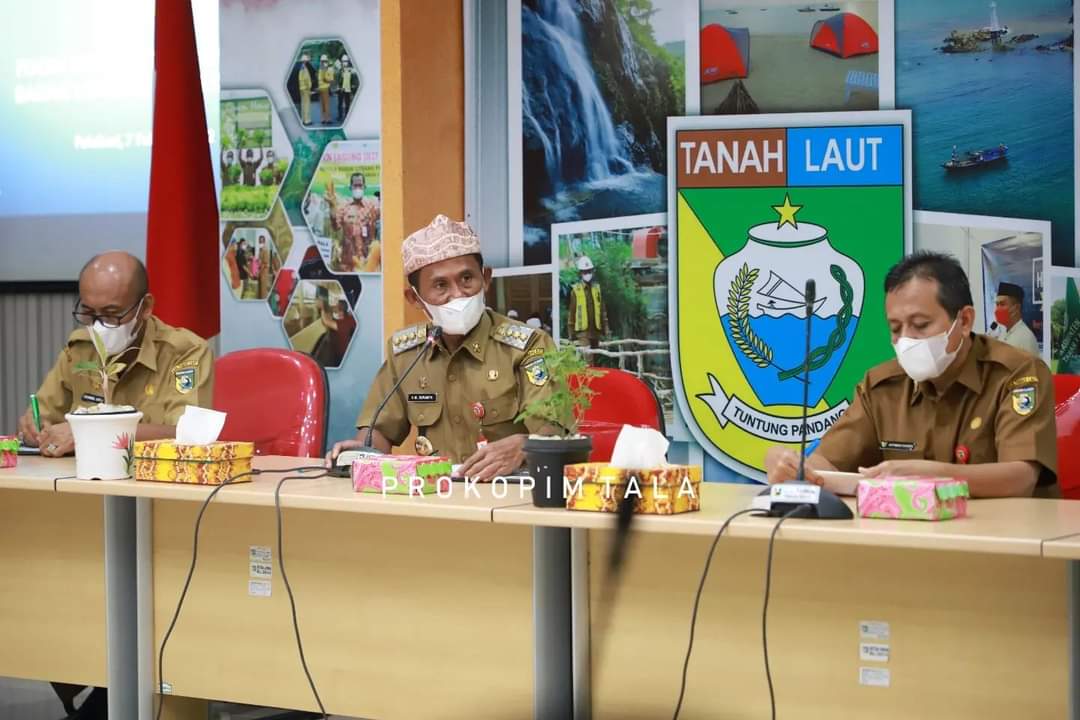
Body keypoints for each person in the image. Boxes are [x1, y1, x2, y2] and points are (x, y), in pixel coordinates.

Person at [14, 251, 213, 719]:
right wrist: (35, 425)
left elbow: (189, 432)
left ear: (145, 307)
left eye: (112, 314)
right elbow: (43, 411)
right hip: (86, 518)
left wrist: (87, 429)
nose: (99, 324)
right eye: (88, 311)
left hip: (161, 522)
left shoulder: (185, 351)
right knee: (43, 586)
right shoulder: (80, 349)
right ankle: (90, 688)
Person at [764, 251, 1057, 498]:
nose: (906, 339)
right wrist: (795, 468)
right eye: (895, 328)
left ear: (964, 320)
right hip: (905, 546)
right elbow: (828, 463)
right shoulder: (880, 385)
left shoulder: (1016, 373)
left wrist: (933, 476)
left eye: (920, 324)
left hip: (1001, 545)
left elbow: (1022, 476)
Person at [327, 214, 559, 481]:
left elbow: (554, 432)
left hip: (507, 496)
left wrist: (524, 445)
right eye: (440, 285)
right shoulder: (407, 354)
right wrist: (362, 453)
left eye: (467, 279)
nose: (458, 294)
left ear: (486, 279)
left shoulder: (528, 346)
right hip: (433, 497)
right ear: (414, 298)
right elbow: (379, 432)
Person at [326, 172, 380, 272]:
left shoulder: (371, 207)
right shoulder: (344, 207)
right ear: (350, 187)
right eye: (355, 185)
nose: (358, 188)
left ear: (364, 187)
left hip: (367, 262)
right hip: (348, 263)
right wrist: (332, 207)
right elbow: (335, 226)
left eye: (360, 185)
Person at [567, 255, 609, 349]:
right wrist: (571, 334)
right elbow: (572, 313)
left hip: (595, 331)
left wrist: (606, 330)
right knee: (588, 359)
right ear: (580, 273)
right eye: (585, 272)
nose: (587, 274)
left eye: (589, 271)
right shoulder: (576, 291)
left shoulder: (597, 289)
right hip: (583, 332)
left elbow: (603, 312)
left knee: (596, 357)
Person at [993, 281, 1040, 356]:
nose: (997, 309)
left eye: (1002, 304)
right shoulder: (1003, 333)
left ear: (1017, 308)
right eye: (997, 304)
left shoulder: (1026, 339)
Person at [338, 54, 358, 119]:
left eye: (346, 61)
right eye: (343, 61)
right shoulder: (340, 69)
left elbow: (353, 78)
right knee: (340, 103)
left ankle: (347, 115)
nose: (344, 62)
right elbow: (338, 79)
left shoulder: (350, 70)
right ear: (341, 61)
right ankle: (340, 116)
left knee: (347, 103)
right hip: (341, 89)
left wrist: (353, 85)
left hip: (348, 89)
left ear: (348, 61)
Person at [297, 52, 314, 124]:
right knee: (306, 105)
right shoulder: (304, 68)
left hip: (301, 88)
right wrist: (309, 87)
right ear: (305, 61)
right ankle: (307, 120)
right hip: (305, 89)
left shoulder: (301, 67)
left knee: (303, 104)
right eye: (307, 60)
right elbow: (306, 78)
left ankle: (303, 119)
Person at [318, 54, 334, 124]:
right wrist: (329, 81)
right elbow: (327, 79)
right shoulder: (326, 69)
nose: (324, 62)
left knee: (322, 105)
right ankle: (328, 119)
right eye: (324, 61)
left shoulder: (320, 69)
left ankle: (323, 119)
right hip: (325, 88)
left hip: (321, 88)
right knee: (326, 104)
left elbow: (320, 79)